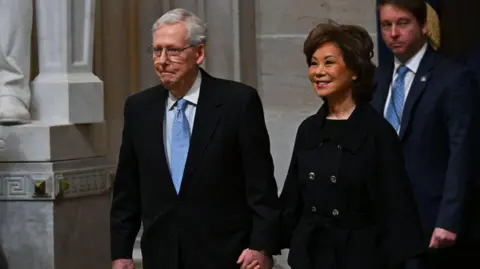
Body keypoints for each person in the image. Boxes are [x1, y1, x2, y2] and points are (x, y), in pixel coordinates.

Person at [110, 8, 280, 269]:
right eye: (157, 50)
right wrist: (121, 253)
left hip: (227, 254)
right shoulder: (138, 108)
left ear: (199, 53)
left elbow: (260, 184)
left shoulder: (237, 102)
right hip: (162, 255)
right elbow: (127, 190)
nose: (162, 60)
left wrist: (261, 246)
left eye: (173, 50)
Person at [279, 21, 424, 269]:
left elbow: (396, 210)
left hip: (361, 258)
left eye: (329, 62)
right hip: (311, 257)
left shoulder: (377, 132)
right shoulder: (309, 129)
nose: (318, 71)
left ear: (355, 70)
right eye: (313, 63)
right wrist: (262, 245)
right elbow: (292, 199)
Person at [372, 0, 480, 268]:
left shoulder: (453, 78)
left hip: (430, 226)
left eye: (402, 23)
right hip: (381, 226)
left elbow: (462, 155)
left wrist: (448, 220)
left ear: (423, 25)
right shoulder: (376, 79)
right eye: (386, 25)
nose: (393, 33)